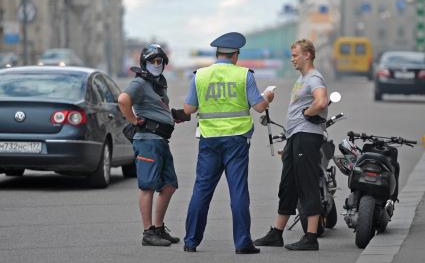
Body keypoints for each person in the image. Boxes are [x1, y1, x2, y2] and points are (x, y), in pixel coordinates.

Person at [182, 32, 274, 254]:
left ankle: (191, 241)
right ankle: (242, 243)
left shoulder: (200, 75)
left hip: (209, 141)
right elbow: (259, 107)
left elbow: (188, 109)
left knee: (201, 190)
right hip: (237, 140)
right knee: (238, 191)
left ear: (217, 54)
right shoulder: (245, 76)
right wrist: (268, 97)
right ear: (235, 55)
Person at [254, 39, 328, 251]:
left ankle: (311, 236)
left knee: (307, 183)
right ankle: (277, 233)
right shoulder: (302, 78)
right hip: (295, 136)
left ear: (308, 55)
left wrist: (308, 112)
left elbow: (321, 101)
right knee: (288, 185)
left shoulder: (314, 77)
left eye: (296, 55)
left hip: (307, 136)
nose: (292, 59)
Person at [118, 44, 180, 247]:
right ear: (144, 63)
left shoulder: (158, 84)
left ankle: (159, 228)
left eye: (159, 61)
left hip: (161, 141)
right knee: (148, 186)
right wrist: (133, 120)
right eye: (152, 61)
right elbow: (123, 99)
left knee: (169, 185)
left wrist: (173, 116)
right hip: (147, 141)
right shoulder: (140, 83)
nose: (156, 64)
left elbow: (158, 108)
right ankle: (148, 232)